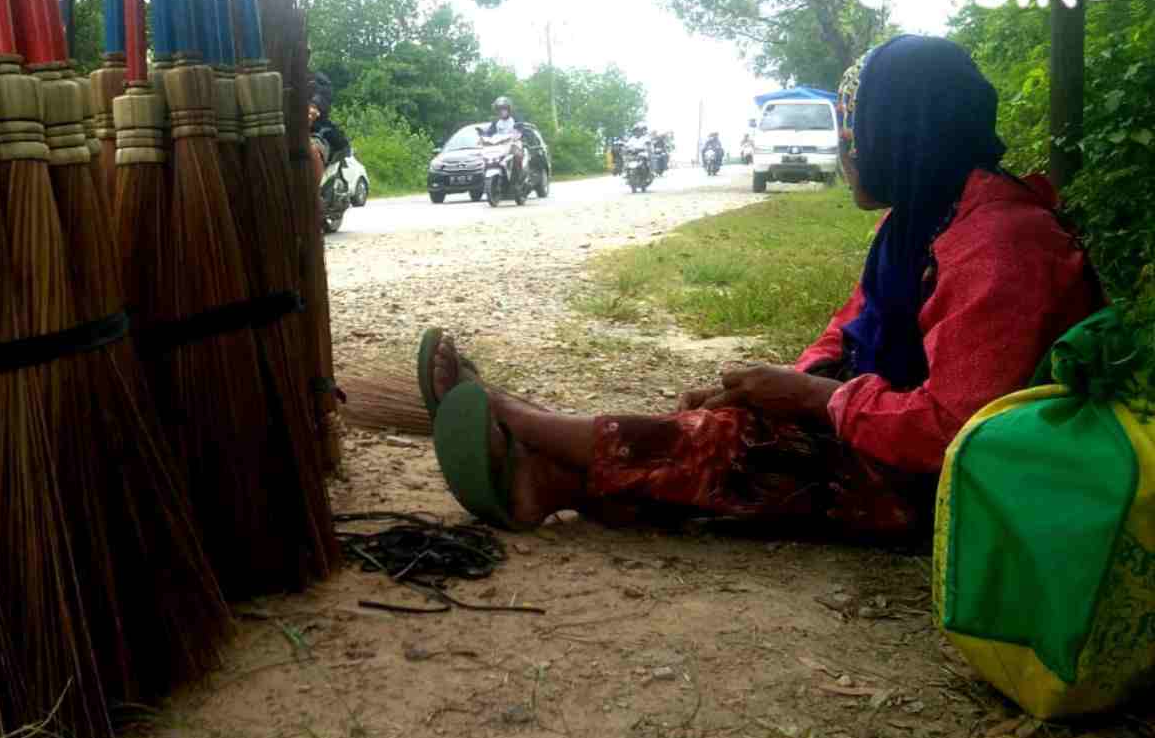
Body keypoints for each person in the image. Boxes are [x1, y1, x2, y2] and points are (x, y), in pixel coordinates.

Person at [418, 35, 1101, 537]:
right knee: (740, 422)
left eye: (858, 131)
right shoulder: (923, 219)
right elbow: (850, 329)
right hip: (895, 436)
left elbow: (957, 430)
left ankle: (527, 426)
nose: (849, 150)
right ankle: (545, 478)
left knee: (739, 446)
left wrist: (811, 399)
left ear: (907, 134)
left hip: (958, 488)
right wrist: (786, 386)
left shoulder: (1001, 245)